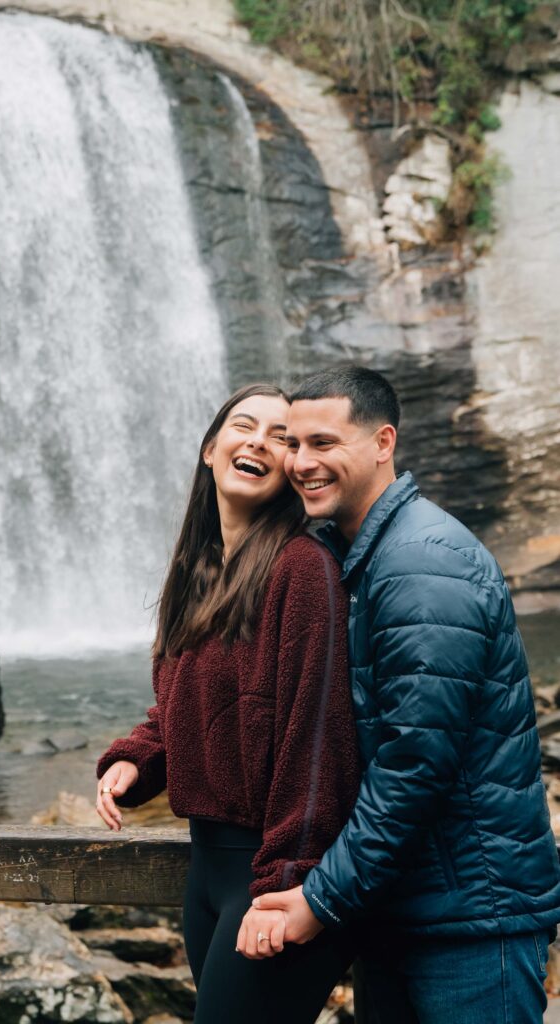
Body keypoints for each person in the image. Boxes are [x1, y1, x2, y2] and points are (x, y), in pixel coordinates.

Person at [253, 365, 560, 1023]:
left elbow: (412, 768)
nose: (301, 462)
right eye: (293, 443)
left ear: (382, 442)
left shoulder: (422, 565)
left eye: (323, 443)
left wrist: (321, 900)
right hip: (407, 905)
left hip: (468, 921)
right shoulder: (353, 553)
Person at [95, 382, 361, 1024]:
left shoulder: (302, 569)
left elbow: (316, 735)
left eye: (282, 438)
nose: (262, 444)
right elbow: (187, 701)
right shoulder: (201, 571)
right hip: (206, 869)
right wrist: (139, 758)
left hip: (269, 872)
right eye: (246, 426)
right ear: (211, 448)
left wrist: (285, 884)